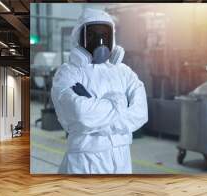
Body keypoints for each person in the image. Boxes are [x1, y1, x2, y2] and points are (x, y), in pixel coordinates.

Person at [51, 8, 148, 174]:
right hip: (85, 159)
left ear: (113, 37)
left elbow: (140, 114)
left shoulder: (123, 72)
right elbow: (80, 115)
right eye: (92, 34)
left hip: (122, 157)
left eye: (105, 33)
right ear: (79, 38)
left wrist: (97, 119)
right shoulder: (68, 73)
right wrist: (120, 104)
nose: (100, 40)